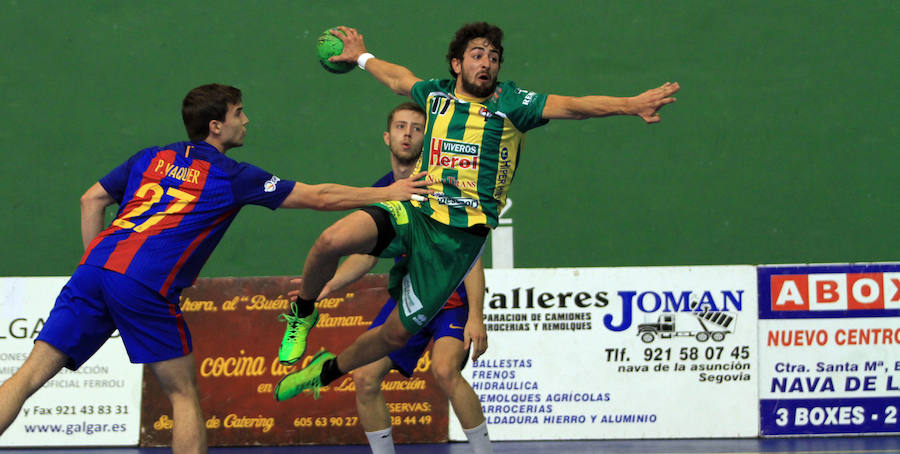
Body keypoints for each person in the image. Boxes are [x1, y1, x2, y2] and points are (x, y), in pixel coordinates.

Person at [0, 83, 429, 454]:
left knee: (29, 375)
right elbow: (318, 196)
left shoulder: (151, 156)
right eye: (238, 113)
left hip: (94, 270)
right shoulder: (229, 174)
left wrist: (97, 267)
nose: (247, 120)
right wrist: (387, 192)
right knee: (183, 395)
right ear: (216, 127)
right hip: (145, 283)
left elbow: (90, 200)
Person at [273, 22, 679, 404]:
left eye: (494, 57)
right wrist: (362, 57)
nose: (486, 63)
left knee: (395, 335)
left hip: (457, 240)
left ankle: (325, 372)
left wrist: (631, 104)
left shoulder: (514, 104)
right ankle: (303, 313)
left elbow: (574, 105)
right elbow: (398, 78)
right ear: (457, 64)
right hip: (416, 208)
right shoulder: (435, 94)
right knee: (331, 239)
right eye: (477, 54)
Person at [287, 102, 491, 454]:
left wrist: (477, 315)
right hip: (408, 301)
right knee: (364, 378)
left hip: (450, 302)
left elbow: (470, 257)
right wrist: (330, 285)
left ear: (428, 139)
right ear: (387, 136)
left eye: (416, 127)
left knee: (444, 370)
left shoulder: (442, 185)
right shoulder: (382, 191)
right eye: (400, 126)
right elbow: (365, 256)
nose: (408, 133)